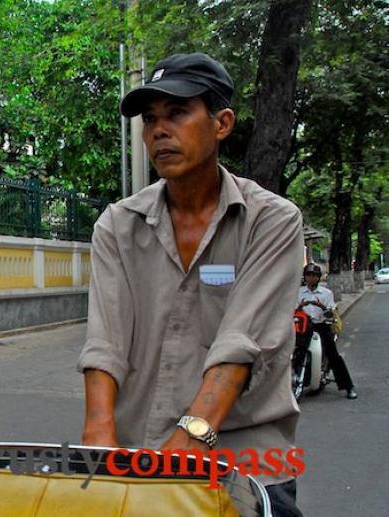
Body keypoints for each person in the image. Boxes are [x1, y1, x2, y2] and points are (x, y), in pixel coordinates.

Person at [77, 53, 304, 516]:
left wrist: (189, 442)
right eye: (150, 120)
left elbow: (240, 345)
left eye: (178, 113)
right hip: (136, 450)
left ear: (221, 124)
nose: (160, 131)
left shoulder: (273, 221)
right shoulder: (118, 226)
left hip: (247, 455)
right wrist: (99, 437)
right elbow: (105, 342)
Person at [295, 262, 356, 399]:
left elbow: (330, 314)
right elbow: (293, 311)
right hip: (304, 327)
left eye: (314, 275)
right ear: (304, 277)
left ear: (318, 277)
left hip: (321, 326)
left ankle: (348, 387)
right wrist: (300, 307)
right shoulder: (298, 293)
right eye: (308, 275)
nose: (311, 278)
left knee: (333, 355)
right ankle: (300, 381)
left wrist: (321, 306)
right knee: (297, 352)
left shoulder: (326, 293)